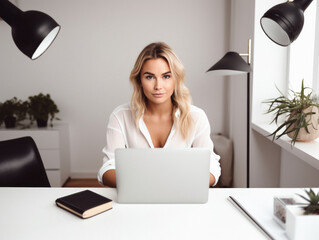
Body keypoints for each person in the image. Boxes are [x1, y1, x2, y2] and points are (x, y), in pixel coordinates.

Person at [97, 42, 221, 188]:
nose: (158, 86)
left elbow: (211, 165)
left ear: (176, 79)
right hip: (138, 195)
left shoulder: (196, 117)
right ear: (139, 81)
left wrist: (180, 185)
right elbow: (108, 167)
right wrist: (147, 185)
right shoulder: (120, 116)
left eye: (166, 76)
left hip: (182, 195)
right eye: (149, 77)